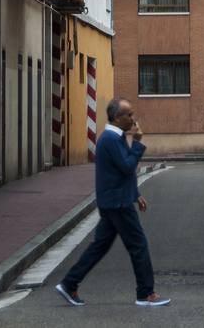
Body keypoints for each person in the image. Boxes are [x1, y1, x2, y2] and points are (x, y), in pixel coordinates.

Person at [55, 98, 170, 308]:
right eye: (128, 115)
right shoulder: (110, 139)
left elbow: (122, 170)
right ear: (117, 118)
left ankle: (69, 283)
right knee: (138, 245)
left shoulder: (114, 137)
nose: (132, 119)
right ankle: (146, 294)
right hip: (117, 202)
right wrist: (137, 143)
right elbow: (127, 166)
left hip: (114, 200)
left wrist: (136, 193)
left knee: (100, 246)